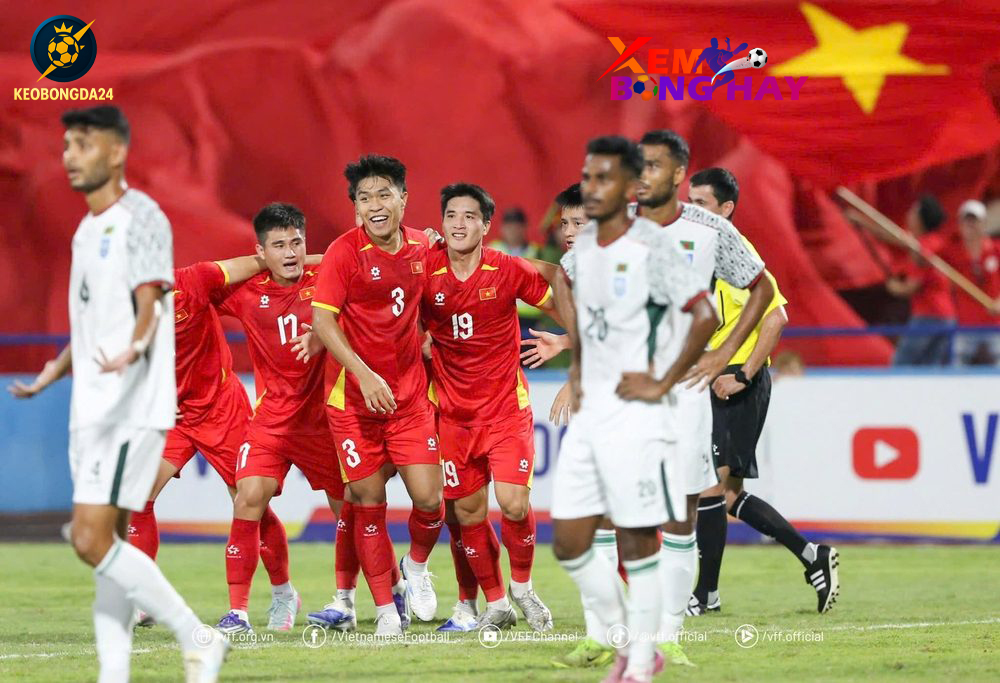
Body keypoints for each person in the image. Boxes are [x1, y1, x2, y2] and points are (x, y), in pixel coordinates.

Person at [27, 105, 226, 682]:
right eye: (67, 145)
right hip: (92, 405)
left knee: (88, 538)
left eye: (83, 144)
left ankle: (198, 637)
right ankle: (113, 674)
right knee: (109, 550)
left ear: (116, 152)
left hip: (129, 405)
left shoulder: (141, 217)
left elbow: (149, 300)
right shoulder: (85, 230)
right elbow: (93, 320)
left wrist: (135, 349)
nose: (70, 156)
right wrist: (56, 368)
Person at [552, 135, 718, 683]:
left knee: (638, 540)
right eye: (587, 176)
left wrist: (663, 380)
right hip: (592, 415)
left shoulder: (652, 246)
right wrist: (577, 368)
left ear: (627, 185)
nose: (591, 187)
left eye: (603, 178)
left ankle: (641, 662)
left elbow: (706, 315)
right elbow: (565, 289)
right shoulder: (583, 248)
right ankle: (628, 635)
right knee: (569, 544)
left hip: (639, 420)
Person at [635, 133, 778, 661]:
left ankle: (669, 634)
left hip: (686, 392)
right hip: (626, 389)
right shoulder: (614, 225)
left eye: (655, 166)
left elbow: (764, 290)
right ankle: (615, 628)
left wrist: (726, 355)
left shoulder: (710, 229)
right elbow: (572, 282)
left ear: (677, 174)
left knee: (685, 508)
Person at [687, 167, 840, 615]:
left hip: (735, 381)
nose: (692, 212)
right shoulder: (697, 255)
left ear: (726, 209)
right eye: (689, 202)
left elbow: (776, 316)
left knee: (711, 489)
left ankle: (706, 594)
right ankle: (812, 555)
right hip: (713, 380)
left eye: (701, 204)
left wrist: (744, 374)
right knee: (726, 495)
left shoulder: (738, 253)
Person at [310, 155, 445, 637]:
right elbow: (322, 320)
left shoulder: (424, 247)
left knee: (430, 500)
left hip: (408, 399)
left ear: (403, 199)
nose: (375, 205)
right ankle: (387, 610)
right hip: (353, 402)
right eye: (364, 198)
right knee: (366, 501)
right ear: (355, 209)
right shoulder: (343, 252)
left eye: (384, 194)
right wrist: (364, 374)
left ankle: (416, 565)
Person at [422, 183, 565, 632]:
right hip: (452, 417)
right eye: (451, 215)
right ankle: (498, 602)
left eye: (469, 216)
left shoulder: (506, 268)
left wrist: (567, 341)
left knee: (514, 503)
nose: (459, 224)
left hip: (505, 410)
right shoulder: (424, 269)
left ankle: (523, 588)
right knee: (468, 514)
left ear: (486, 225)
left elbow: (561, 305)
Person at [132, 255, 298, 631]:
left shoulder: (195, 280)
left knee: (250, 504)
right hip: (175, 417)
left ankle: (283, 593)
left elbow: (261, 260)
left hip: (222, 411)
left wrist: (324, 259)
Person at [212, 203, 345, 635]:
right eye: (278, 246)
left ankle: (394, 589)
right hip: (271, 421)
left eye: (296, 243)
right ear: (260, 251)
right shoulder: (246, 292)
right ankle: (239, 613)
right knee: (247, 498)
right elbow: (200, 288)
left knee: (353, 514)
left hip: (324, 423)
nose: (290, 253)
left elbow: (361, 262)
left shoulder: (327, 278)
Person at [884, 195, 956, 365]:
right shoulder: (935, 241)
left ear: (921, 218)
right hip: (947, 317)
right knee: (930, 368)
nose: (908, 214)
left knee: (900, 365)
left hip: (929, 315)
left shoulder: (923, 246)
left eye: (913, 211)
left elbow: (911, 287)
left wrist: (893, 287)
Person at [944, 200, 1000, 365]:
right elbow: (924, 256)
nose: (970, 225)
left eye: (974, 220)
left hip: (995, 325)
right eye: (966, 220)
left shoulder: (997, 249)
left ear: (983, 223)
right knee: (957, 370)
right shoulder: (951, 252)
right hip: (965, 325)